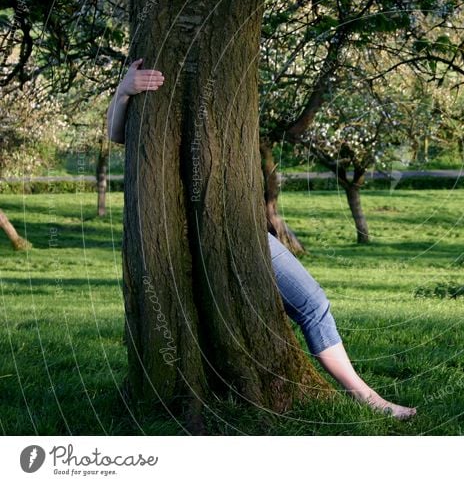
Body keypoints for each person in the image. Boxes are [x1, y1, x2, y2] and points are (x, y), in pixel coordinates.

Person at [107, 58, 416, 420]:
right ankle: (369, 399)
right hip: (220, 235)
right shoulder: (169, 100)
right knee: (313, 306)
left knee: (309, 306)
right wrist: (124, 91)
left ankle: (364, 396)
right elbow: (119, 134)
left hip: (238, 229)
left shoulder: (222, 94)